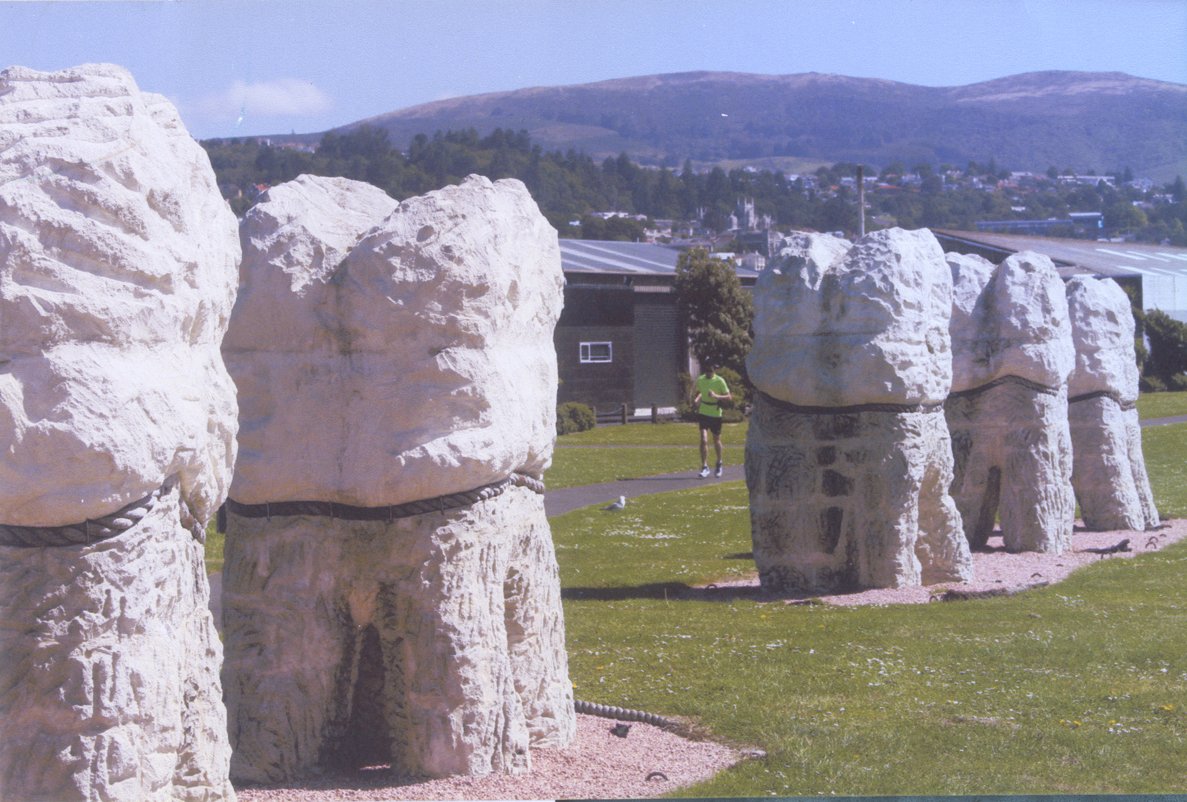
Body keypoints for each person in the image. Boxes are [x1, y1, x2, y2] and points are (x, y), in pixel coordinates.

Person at [692, 362, 731, 478]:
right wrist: (697, 399)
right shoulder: (701, 379)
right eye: (707, 371)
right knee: (703, 439)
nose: (709, 373)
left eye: (711, 371)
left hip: (715, 413)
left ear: (714, 371)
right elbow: (699, 392)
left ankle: (719, 462)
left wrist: (716, 396)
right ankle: (704, 466)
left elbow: (729, 397)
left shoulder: (720, 381)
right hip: (704, 411)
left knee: (716, 440)